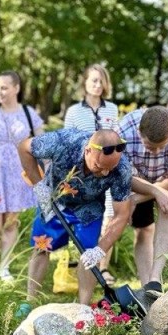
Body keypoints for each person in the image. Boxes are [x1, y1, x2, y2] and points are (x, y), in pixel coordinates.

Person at [18, 128, 168, 307]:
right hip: (53, 200)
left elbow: (121, 214)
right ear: (88, 150)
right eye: (99, 166)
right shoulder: (63, 142)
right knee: (42, 247)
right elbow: (24, 148)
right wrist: (39, 185)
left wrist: (100, 250)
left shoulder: (121, 169)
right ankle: (29, 301)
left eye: (109, 169)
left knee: (89, 255)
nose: (104, 173)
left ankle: (83, 308)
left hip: (89, 208)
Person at [117, 105, 168, 299]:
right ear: (139, 133)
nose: (156, 152)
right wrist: (145, 193)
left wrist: (140, 198)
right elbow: (128, 178)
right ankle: (146, 288)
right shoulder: (123, 130)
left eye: (162, 146)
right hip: (138, 180)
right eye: (151, 146)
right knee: (143, 229)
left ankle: (155, 280)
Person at [0, 70, 43, 280]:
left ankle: (4, 267)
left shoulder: (29, 114)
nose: (0, 92)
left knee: (10, 223)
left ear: (16, 88)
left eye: (4, 87)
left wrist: (42, 172)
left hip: (18, 175)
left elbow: (41, 146)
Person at [63, 64, 120, 285]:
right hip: (83, 173)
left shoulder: (111, 109)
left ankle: (103, 267)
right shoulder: (74, 112)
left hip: (108, 172)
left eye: (101, 81)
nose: (97, 85)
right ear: (85, 83)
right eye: (93, 80)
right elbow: (68, 142)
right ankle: (81, 263)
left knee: (109, 216)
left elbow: (116, 138)